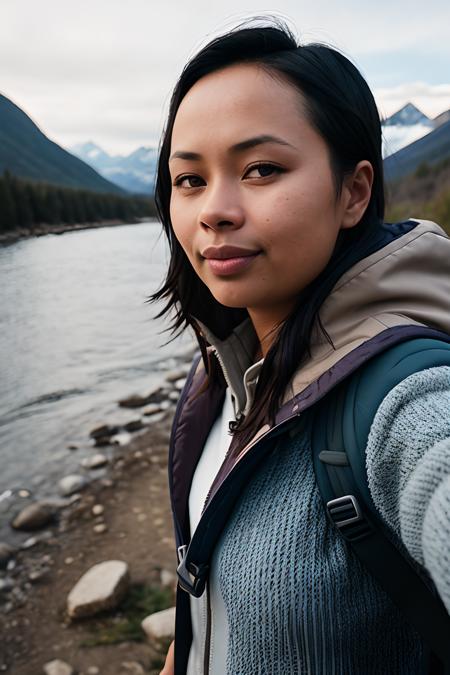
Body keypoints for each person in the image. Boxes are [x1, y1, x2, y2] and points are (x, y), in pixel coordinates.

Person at [151, 20, 450, 675]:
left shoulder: (408, 399)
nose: (214, 211)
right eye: (189, 179)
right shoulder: (224, 372)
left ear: (353, 192)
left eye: (261, 169)